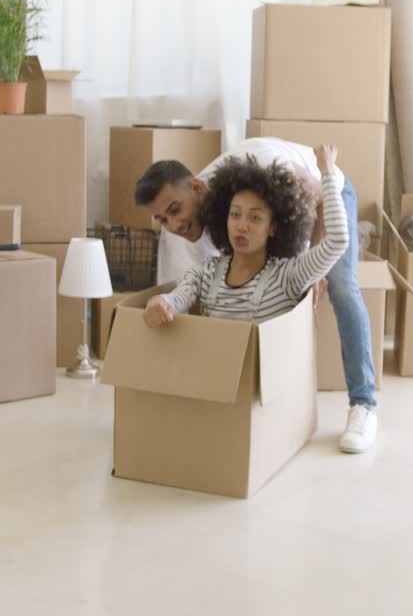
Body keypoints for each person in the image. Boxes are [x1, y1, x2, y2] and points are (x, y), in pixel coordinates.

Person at [134, 137, 378, 454]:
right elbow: (207, 293)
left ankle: (364, 404)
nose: (174, 225)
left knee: (341, 287)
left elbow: (316, 203)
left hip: (322, 193)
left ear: (196, 188)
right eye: (162, 220)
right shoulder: (194, 231)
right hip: (273, 217)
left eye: (175, 210)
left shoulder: (264, 169)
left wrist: (312, 270)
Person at [143, 146, 343, 328]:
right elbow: (176, 299)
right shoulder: (206, 274)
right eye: (235, 214)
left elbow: (337, 241)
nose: (242, 226)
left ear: (273, 227)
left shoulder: (288, 276)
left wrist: (327, 171)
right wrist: (161, 303)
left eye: (255, 218)